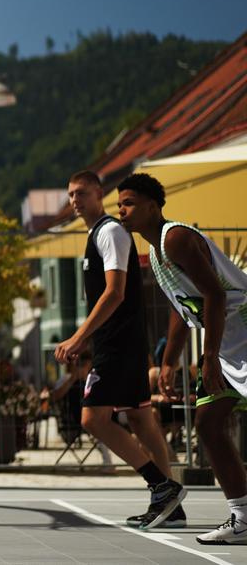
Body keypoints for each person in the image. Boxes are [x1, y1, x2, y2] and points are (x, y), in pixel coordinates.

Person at [118, 171, 247, 545]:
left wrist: (207, 359)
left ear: (153, 206)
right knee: (208, 426)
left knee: (210, 424)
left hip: (240, 332)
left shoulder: (175, 238)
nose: (122, 212)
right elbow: (182, 305)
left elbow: (216, 297)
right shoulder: (155, 250)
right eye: (119, 206)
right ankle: (242, 518)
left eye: (129, 204)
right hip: (226, 346)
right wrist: (170, 360)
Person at [54, 170, 185, 529]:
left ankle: (161, 486)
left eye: (81, 193)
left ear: (99, 194)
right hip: (120, 342)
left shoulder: (110, 231)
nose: (75, 200)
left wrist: (79, 337)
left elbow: (115, 292)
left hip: (117, 343)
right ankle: (171, 505)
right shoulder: (99, 235)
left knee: (92, 419)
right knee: (142, 421)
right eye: (70, 195)